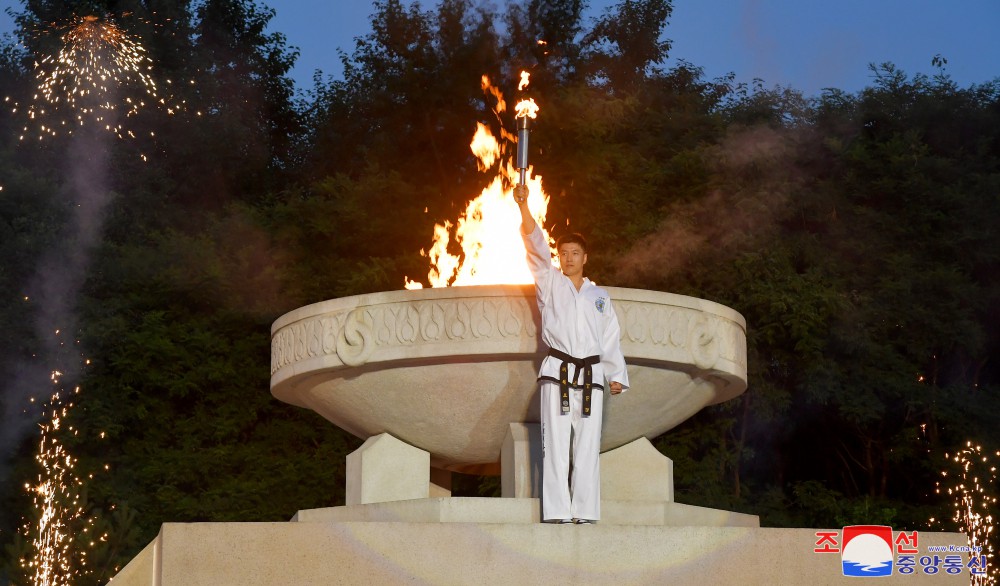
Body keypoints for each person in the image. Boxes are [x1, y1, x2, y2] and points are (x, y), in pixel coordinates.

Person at [513, 184, 629, 524]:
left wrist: (616, 374)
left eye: (575, 253)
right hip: (559, 371)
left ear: (585, 257)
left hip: (591, 375)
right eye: (563, 253)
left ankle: (586, 511)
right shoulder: (549, 282)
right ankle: (558, 512)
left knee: (587, 447)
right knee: (556, 447)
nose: (568, 258)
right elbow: (535, 247)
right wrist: (524, 207)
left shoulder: (599, 296)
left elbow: (609, 337)